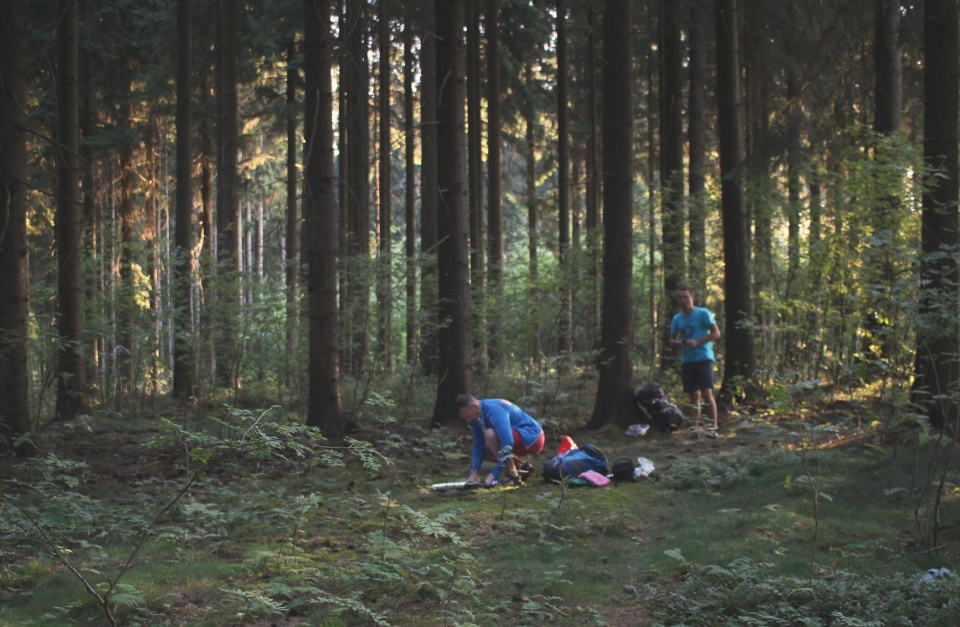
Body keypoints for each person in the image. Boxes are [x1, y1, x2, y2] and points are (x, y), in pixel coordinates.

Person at [455, 394, 545, 486]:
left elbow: (508, 442)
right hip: (517, 437)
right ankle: (521, 467)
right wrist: (474, 472)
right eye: (465, 418)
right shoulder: (477, 415)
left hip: (533, 438)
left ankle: (512, 475)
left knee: (490, 434)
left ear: (475, 407)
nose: (468, 421)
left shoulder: (494, 410)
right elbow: (478, 444)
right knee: (484, 451)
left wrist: (494, 474)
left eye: (468, 416)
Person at [669, 286, 721, 433]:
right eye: (680, 297)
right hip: (687, 360)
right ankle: (695, 428)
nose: (682, 300)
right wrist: (678, 344)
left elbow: (716, 333)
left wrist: (698, 341)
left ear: (692, 297)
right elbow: (672, 340)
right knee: (693, 394)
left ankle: (713, 427)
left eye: (685, 297)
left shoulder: (702, 313)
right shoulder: (677, 319)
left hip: (703, 357)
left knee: (706, 392)